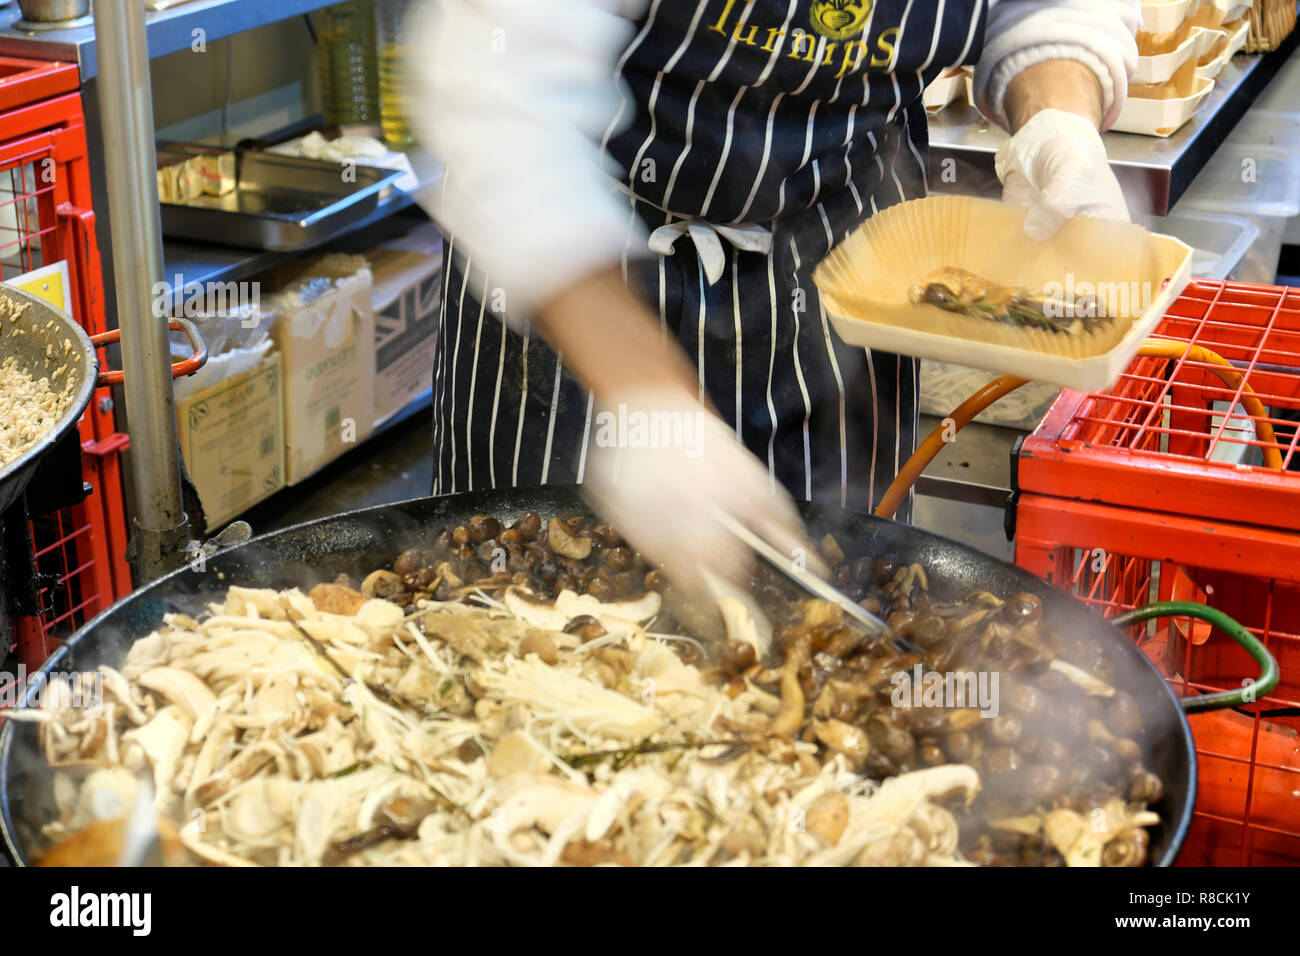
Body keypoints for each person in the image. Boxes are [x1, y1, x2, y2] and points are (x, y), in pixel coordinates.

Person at [407, 0, 1137, 591]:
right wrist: (646, 394)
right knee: (520, 636)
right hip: (580, 276)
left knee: (842, 613)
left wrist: (1058, 121)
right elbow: (499, 92)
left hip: (839, 264)